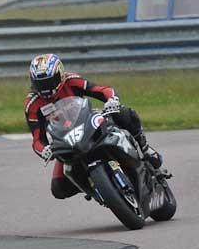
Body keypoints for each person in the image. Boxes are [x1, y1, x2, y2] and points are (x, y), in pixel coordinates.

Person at [25, 53, 162, 200]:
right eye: (41, 84)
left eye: (49, 82)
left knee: (122, 113)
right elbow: (37, 139)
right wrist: (44, 150)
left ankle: (145, 148)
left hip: (88, 121)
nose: (45, 88)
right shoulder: (32, 104)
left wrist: (111, 100)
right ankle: (95, 187)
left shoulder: (71, 81)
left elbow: (102, 90)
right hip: (64, 140)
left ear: (60, 74)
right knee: (58, 188)